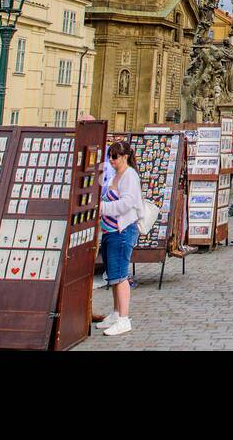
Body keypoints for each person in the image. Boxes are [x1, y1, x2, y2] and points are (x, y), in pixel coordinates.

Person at [96, 140, 142, 336]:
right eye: (110, 157)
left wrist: (103, 208)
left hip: (122, 231)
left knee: (121, 275)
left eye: (114, 157)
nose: (111, 160)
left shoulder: (130, 176)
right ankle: (116, 313)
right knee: (113, 275)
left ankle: (124, 318)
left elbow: (127, 203)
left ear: (124, 156)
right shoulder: (115, 175)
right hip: (110, 231)